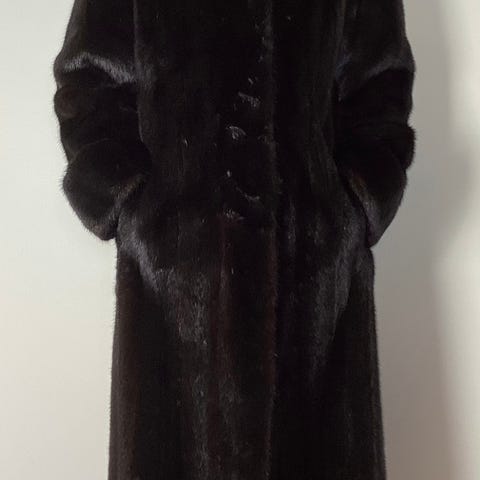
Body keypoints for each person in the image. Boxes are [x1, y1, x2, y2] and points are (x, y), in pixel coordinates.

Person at [53, 0, 415, 478]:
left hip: (313, 285)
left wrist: (353, 204)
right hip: (177, 288)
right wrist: (131, 204)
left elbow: (379, 83)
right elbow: (88, 79)